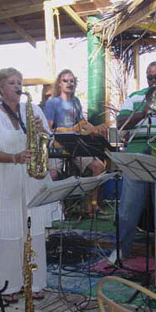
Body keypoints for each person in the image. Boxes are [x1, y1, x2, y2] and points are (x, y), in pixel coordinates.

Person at [0, 68, 56, 303]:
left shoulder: (33, 109)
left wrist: (42, 129)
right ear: (0, 88)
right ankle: (8, 285)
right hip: (4, 180)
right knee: (7, 235)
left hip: (33, 179)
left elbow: (49, 138)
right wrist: (14, 157)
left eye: (19, 82)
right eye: (11, 83)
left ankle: (35, 284)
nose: (17, 86)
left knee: (34, 232)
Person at [109, 61, 156, 263]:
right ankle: (121, 251)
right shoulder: (135, 97)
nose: (153, 81)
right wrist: (144, 112)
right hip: (137, 157)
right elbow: (121, 123)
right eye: (150, 78)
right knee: (127, 210)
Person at [44, 69, 107, 213]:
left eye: (72, 81)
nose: (69, 84)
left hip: (76, 145)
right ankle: (53, 209)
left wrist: (96, 128)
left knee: (99, 167)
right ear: (59, 83)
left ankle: (91, 203)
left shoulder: (76, 101)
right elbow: (48, 128)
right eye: (65, 81)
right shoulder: (52, 102)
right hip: (58, 145)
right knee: (52, 175)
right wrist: (70, 129)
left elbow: (83, 123)